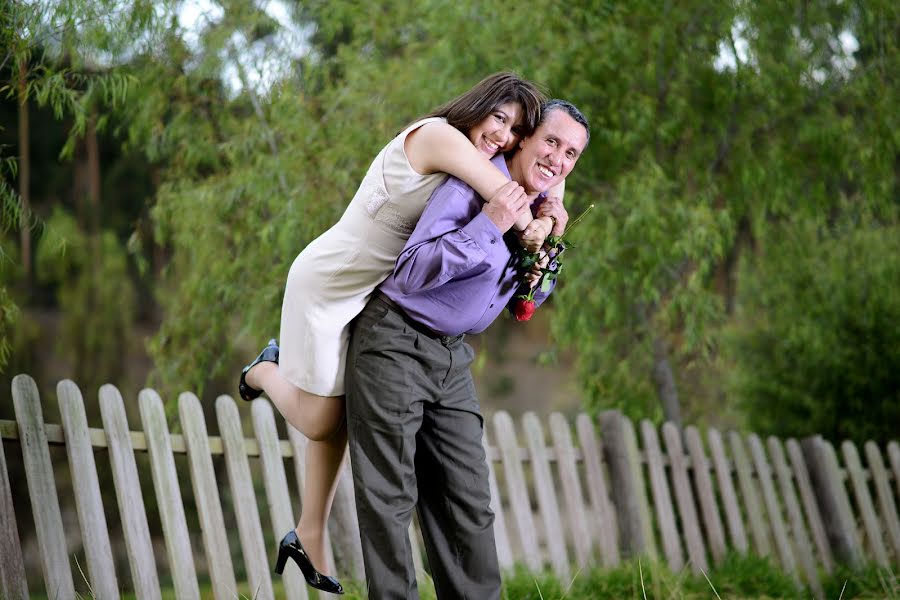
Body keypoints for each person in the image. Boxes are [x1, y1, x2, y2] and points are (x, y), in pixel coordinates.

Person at [236, 73, 568, 594]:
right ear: (477, 107)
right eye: (499, 119)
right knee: (324, 421)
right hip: (333, 281)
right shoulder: (440, 138)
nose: (503, 136)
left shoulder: (484, 161)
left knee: (336, 418)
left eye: (515, 128)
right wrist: (542, 218)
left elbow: (542, 173)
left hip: (377, 294)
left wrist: (550, 194)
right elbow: (509, 194)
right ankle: (263, 370)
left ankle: (309, 531)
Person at [345, 99, 590, 600]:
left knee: (467, 504)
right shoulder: (468, 188)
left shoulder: (538, 212)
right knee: (390, 499)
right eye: (551, 141)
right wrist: (491, 223)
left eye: (571, 154)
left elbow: (526, 302)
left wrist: (546, 245)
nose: (558, 159)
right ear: (523, 139)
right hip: (394, 339)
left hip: (452, 357)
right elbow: (410, 272)